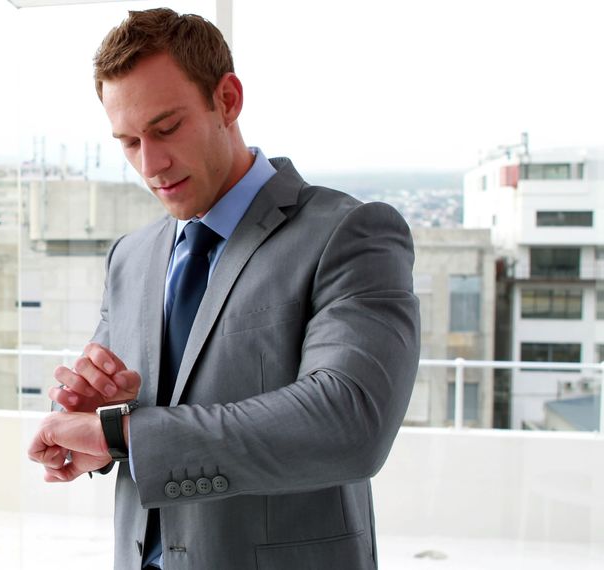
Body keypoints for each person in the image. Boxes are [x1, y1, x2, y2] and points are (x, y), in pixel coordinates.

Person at [27, 8, 420, 570]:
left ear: (228, 100)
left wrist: (125, 433)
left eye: (166, 129)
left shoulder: (349, 233)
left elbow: (349, 421)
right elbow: (121, 423)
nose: (151, 164)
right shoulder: (130, 257)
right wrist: (91, 424)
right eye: (129, 142)